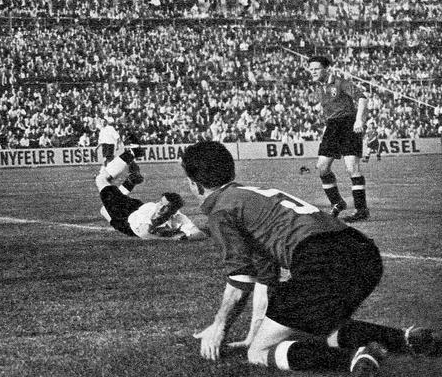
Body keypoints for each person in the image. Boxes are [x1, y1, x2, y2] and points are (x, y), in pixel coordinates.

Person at [183, 141, 440, 375]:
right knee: (321, 327)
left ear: (195, 184)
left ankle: (354, 360)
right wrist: (254, 333)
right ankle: (407, 339)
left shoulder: (222, 209)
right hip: (363, 252)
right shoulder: (251, 195)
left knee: (259, 354)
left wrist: (219, 327)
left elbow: (240, 280)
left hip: (322, 260)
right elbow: (265, 278)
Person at [307, 56, 370, 222]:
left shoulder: (340, 82)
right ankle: (338, 202)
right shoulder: (319, 88)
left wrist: (359, 120)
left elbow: (362, 97)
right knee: (322, 168)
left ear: (326, 69)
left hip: (348, 123)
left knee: (352, 168)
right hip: (332, 127)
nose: (312, 72)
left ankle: (361, 210)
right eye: (311, 69)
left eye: (316, 69)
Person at [95, 151, 206, 240]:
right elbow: (145, 234)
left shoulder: (178, 218)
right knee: (101, 179)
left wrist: (185, 237)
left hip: (128, 217)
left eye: (165, 207)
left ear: (173, 211)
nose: (160, 207)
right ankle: (130, 154)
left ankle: (129, 183)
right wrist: (172, 238)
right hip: (129, 212)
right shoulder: (151, 212)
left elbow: (200, 234)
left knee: (104, 210)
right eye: (160, 203)